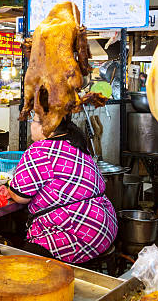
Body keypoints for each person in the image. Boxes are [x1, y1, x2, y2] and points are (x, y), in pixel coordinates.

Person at [7, 113, 117, 264]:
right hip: (105, 228)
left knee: (24, 264)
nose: (31, 125)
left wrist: (7, 187)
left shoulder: (39, 150)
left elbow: (20, 196)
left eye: (34, 121)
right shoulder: (75, 142)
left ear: (47, 128)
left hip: (78, 234)